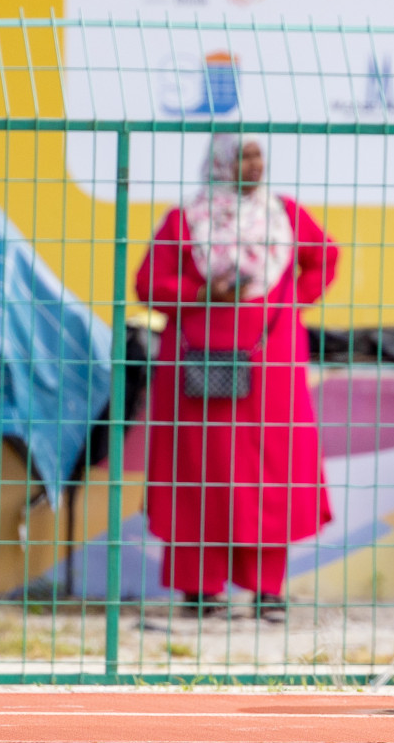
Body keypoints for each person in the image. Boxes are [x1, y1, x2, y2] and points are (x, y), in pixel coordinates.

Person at [137, 133, 338, 621]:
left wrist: (291, 299)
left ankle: (267, 589)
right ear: (221, 163)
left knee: (272, 469)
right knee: (197, 469)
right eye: (243, 156)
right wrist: (206, 290)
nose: (253, 165)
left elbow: (324, 258)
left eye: (257, 155)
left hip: (272, 362)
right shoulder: (185, 218)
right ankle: (198, 589)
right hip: (197, 364)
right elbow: (148, 285)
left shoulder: (284, 213)